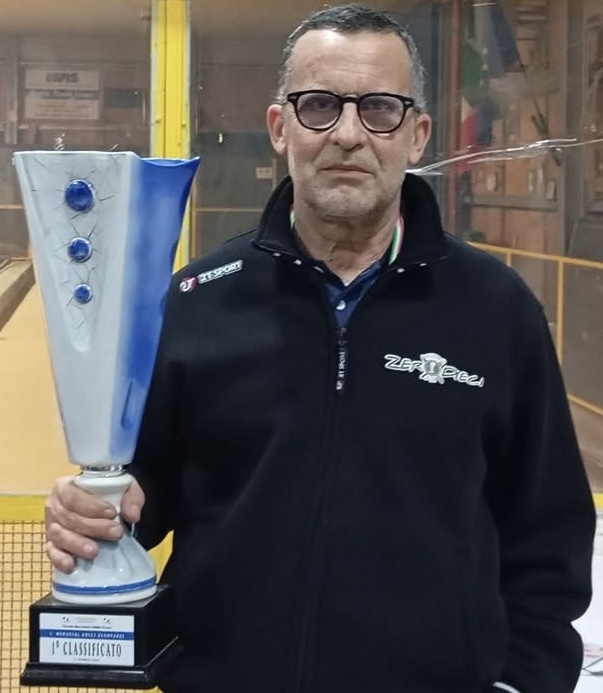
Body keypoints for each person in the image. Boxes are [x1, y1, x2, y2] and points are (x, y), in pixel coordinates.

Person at [44, 4, 595, 693]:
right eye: (319, 105)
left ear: (417, 135)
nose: (347, 134)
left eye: (380, 109)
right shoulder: (198, 300)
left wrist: (521, 682)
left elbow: (548, 534)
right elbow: (143, 494)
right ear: (281, 128)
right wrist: (94, 507)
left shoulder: (495, 309)